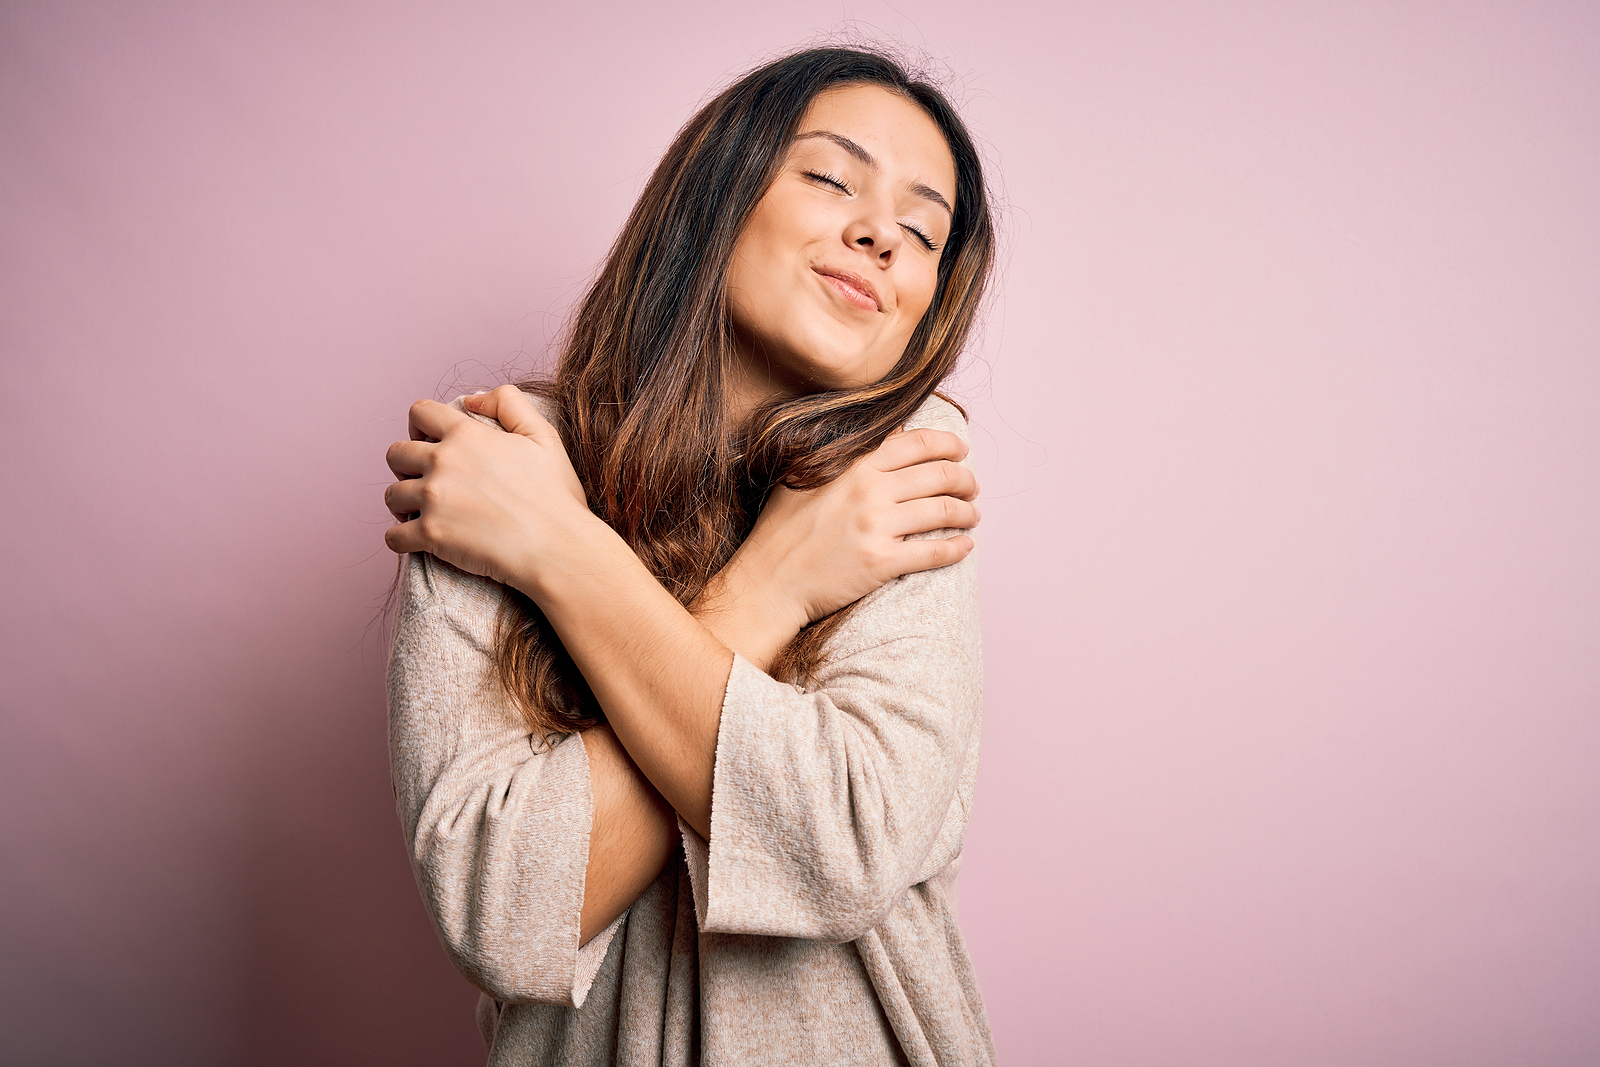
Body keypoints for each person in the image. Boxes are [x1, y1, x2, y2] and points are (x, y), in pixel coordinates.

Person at [383, 46, 996, 1066]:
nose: (879, 233)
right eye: (829, 177)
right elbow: (500, 906)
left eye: (923, 230)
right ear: (716, 195)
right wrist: (770, 589)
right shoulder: (507, 472)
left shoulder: (901, 483)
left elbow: (840, 842)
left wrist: (556, 549)